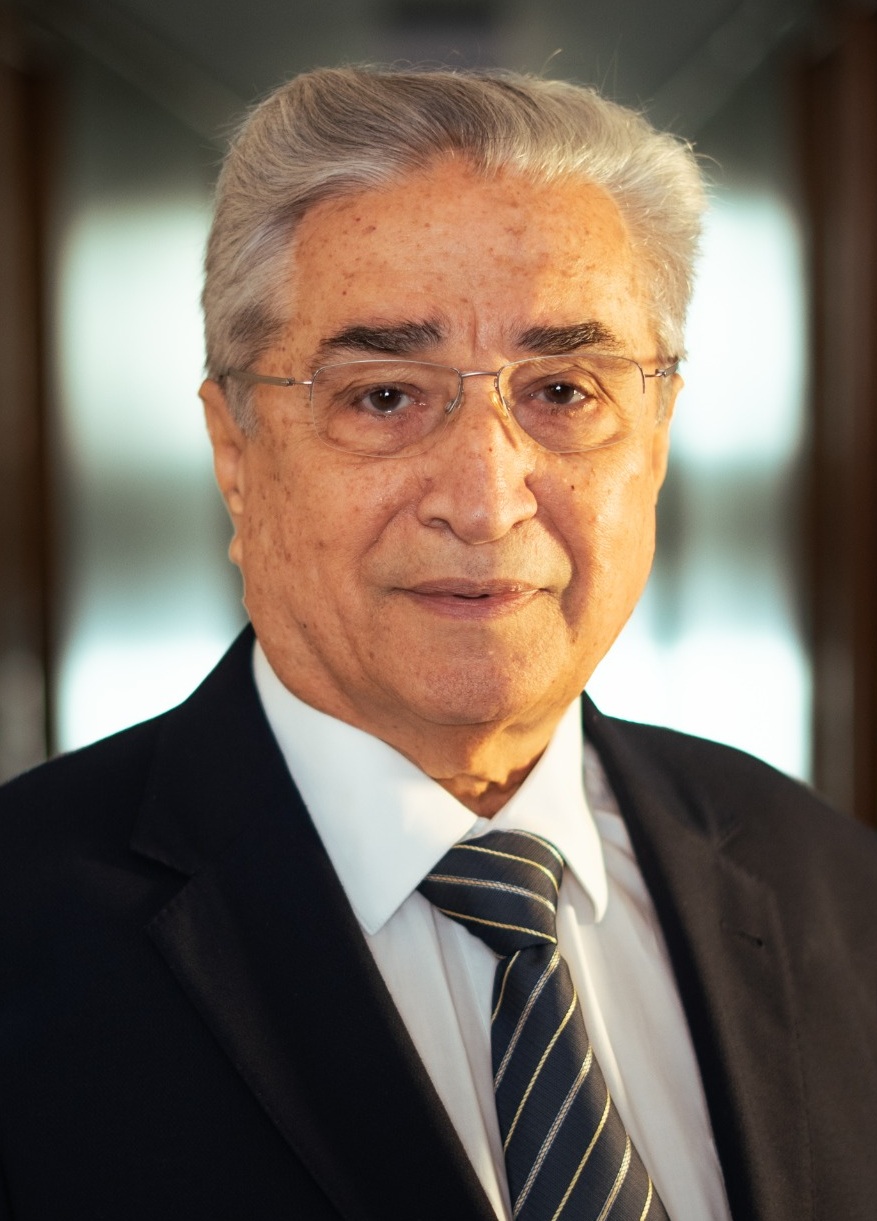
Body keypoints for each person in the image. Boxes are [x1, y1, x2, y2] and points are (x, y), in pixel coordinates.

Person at [0, 66, 875, 1221]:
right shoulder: (24, 927)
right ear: (237, 452)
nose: (485, 498)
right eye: (384, 396)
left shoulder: (830, 886)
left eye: (563, 391)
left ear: (656, 437)